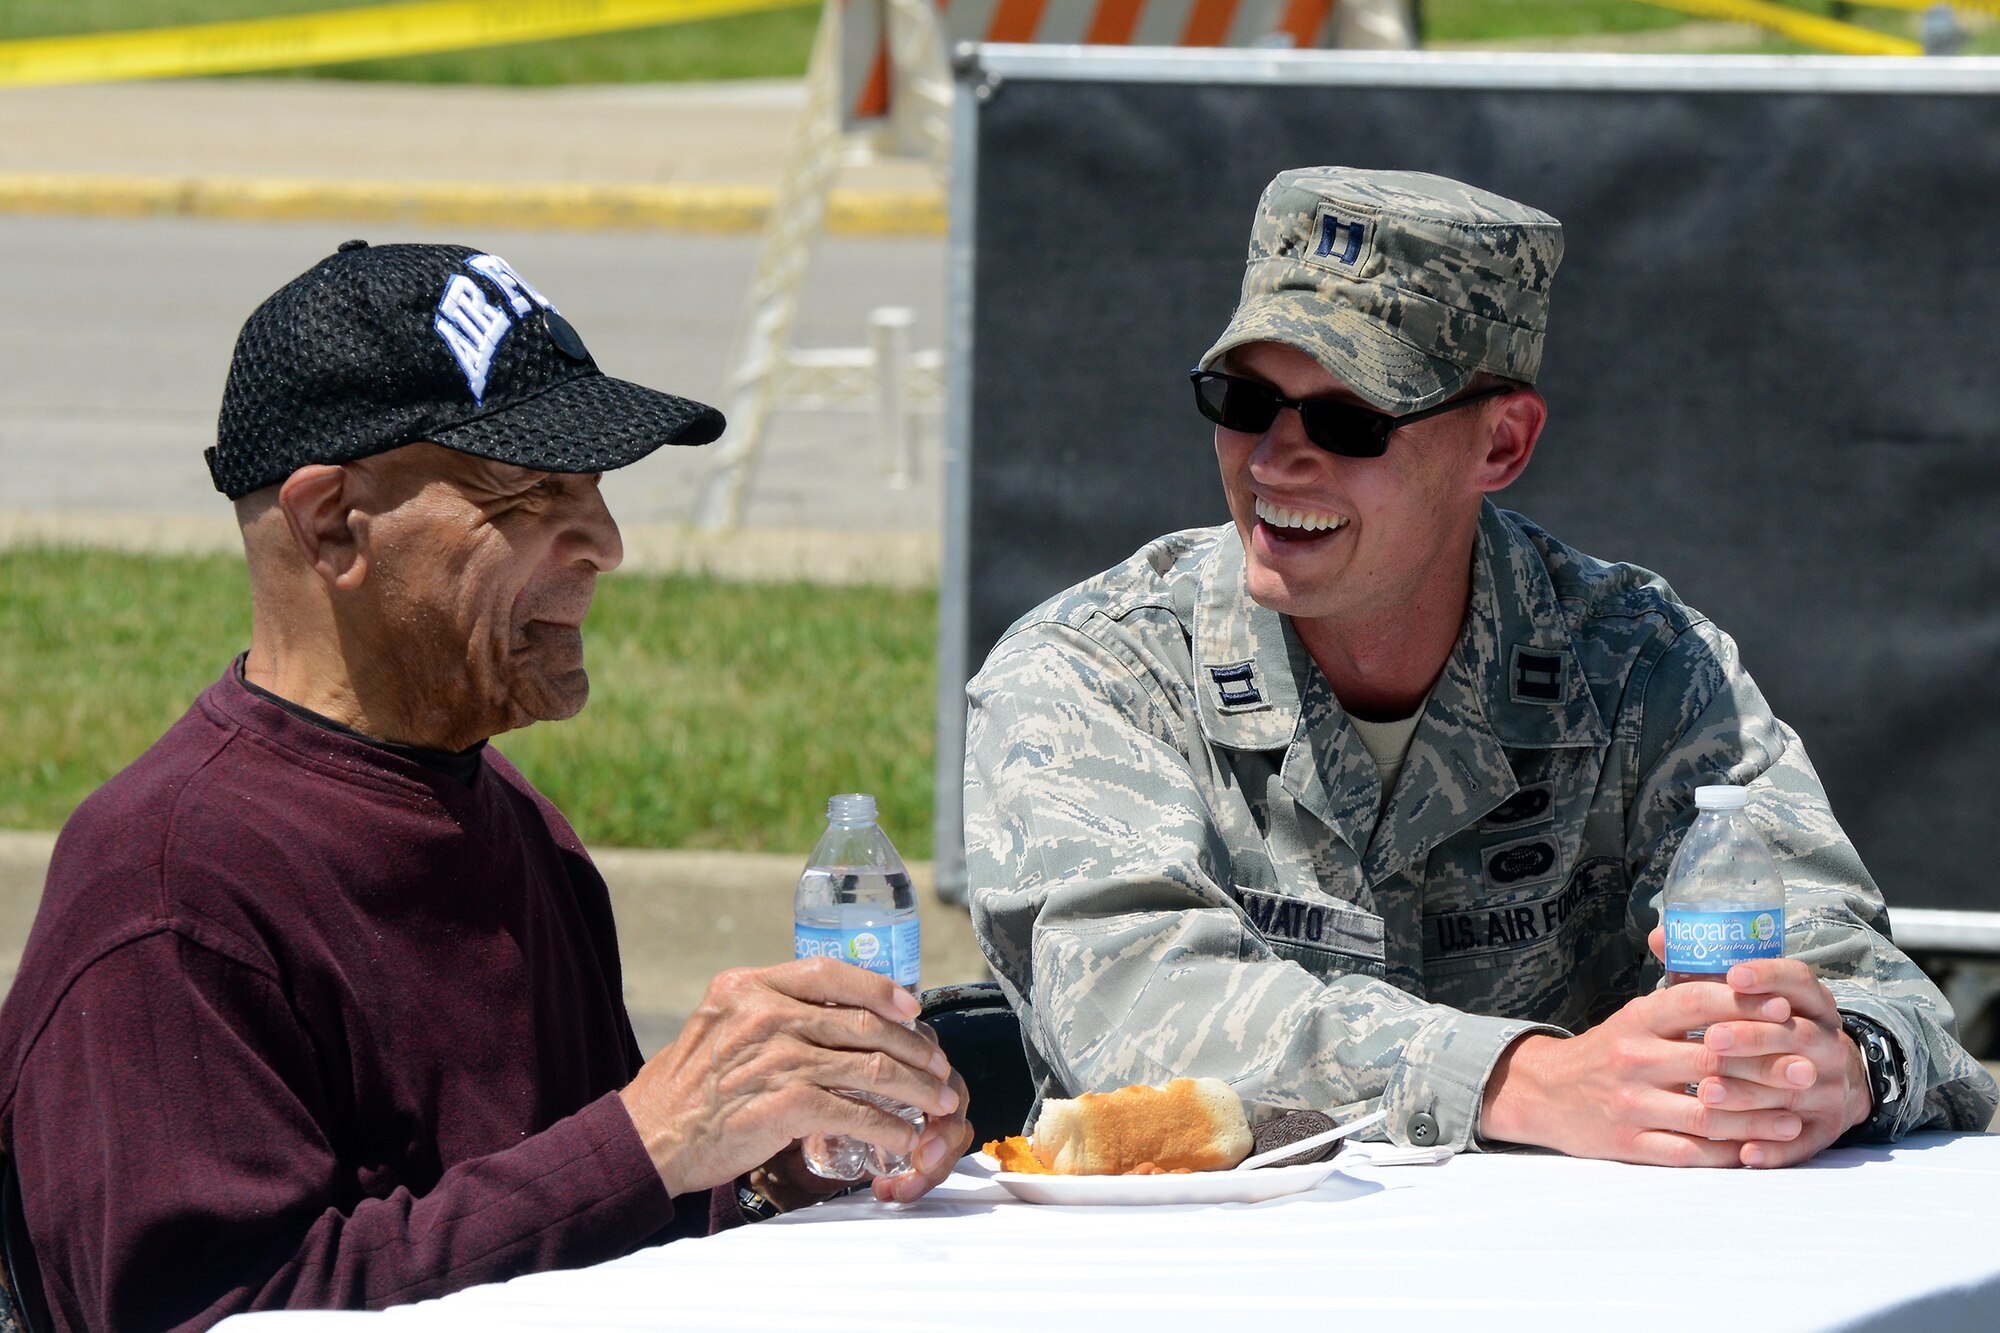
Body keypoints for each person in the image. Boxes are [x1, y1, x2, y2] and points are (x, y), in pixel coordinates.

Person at [0, 241, 972, 1332]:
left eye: (595, 490)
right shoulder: (173, 886)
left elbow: (574, 1237)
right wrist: (647, 1140)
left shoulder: (514, 823)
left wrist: (763, 1165)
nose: (602, 542)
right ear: (331, 523)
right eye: (523, 492)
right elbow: (217, 1310)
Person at [963, 167, 1996, 1170]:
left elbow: (1858, 980)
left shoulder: (1638, 664)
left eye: (1347, 421)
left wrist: (1837, 1064)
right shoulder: (1095, 670)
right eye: (1242, 401)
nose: (1276, 458)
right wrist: (1518, 1082)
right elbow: (1130, 1005)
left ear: (1499, 445)